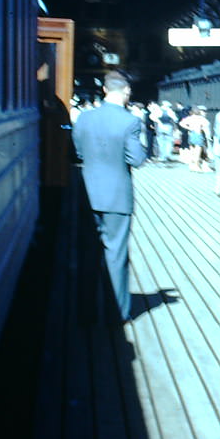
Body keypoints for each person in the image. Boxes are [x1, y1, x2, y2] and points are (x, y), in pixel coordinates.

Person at [72, 71, 147, 323]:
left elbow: (78, 152)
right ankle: (116, 313)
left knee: (87, 253)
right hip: (117, 197)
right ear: (126, 92)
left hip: (88, 194)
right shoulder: (131, 121)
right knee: (115, 254)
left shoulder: (84, 117)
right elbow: (137, 159)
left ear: (104, 90)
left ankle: (85, 311)